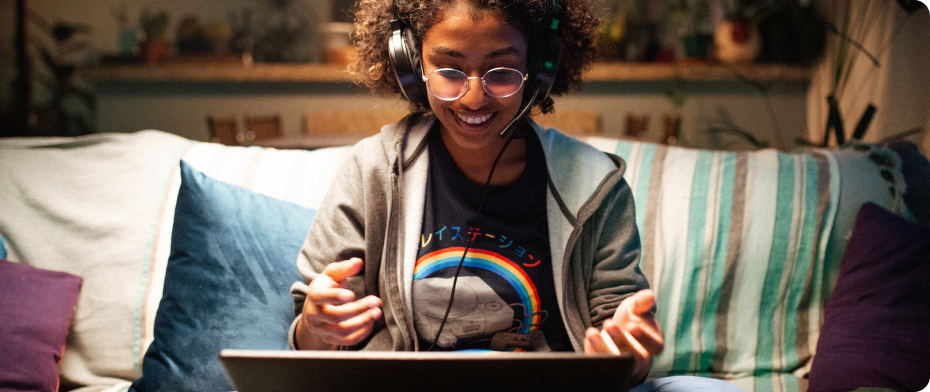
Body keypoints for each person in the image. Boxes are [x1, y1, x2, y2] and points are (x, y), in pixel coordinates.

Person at [288, 0, 741, 390]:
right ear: (410, 66)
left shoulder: (595, 185)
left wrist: (628, 350)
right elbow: (309, 342)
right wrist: (315, 323)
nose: (472, 97)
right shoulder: (371, 172)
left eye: (501, 72)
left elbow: (624, 341)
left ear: (539, 68)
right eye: (448, 71)